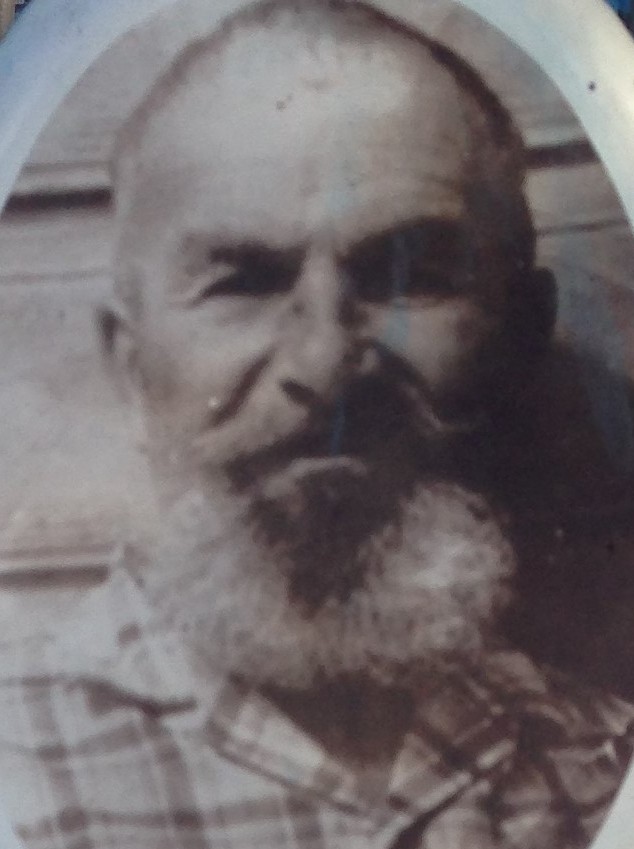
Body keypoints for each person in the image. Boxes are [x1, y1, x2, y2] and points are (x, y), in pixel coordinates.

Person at [0, 2, 632, 848]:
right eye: (243, 280)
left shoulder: (602, 761)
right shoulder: (19, 759)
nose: (326, 360)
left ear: (519, 339)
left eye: (407, 272)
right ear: (130, 366)